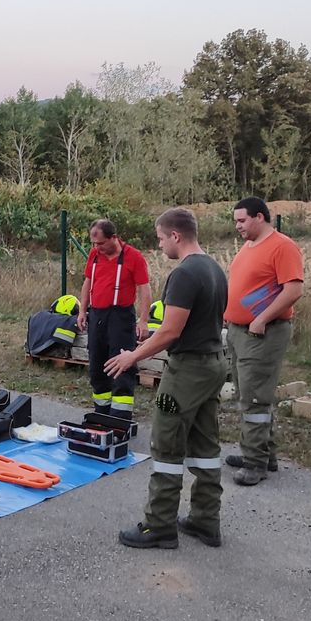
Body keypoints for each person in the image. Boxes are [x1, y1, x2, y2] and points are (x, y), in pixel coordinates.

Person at [106, 207, 227, 550]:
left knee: (167, 443)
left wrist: (133, 355)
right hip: (213, 363)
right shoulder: (215, 268)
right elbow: (199, 322)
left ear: (176, 235)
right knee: (205, 445)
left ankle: (159, 526)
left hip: (186, 372)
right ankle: (206, 520)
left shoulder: (185, 274)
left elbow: (172, 331)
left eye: (160, 238)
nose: (159, 246)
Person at [224, 196, 304, 486]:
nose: (238, 226)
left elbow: (293, 289)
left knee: (255, 398)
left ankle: (255, 463)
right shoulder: (249, 246)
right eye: (236, 221)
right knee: (249, 393)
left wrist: (261, 319)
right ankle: (262, 453)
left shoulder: (282, 246)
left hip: (262, 333)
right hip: (239, 331)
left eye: (242, 220)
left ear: (260, 217)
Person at [76, 218, 152, 420]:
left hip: (120, 317)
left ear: (113, 238)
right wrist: (83, 311)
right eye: (93, 244)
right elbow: (88, 282)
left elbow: (145, 289)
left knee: (120, 367)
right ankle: (101, 413)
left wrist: (143, 320)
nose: (96, 247)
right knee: (96, 366)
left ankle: (119, 418)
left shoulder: (133, 257)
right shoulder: (94, 255)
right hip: (97, 315)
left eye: (100, 243)